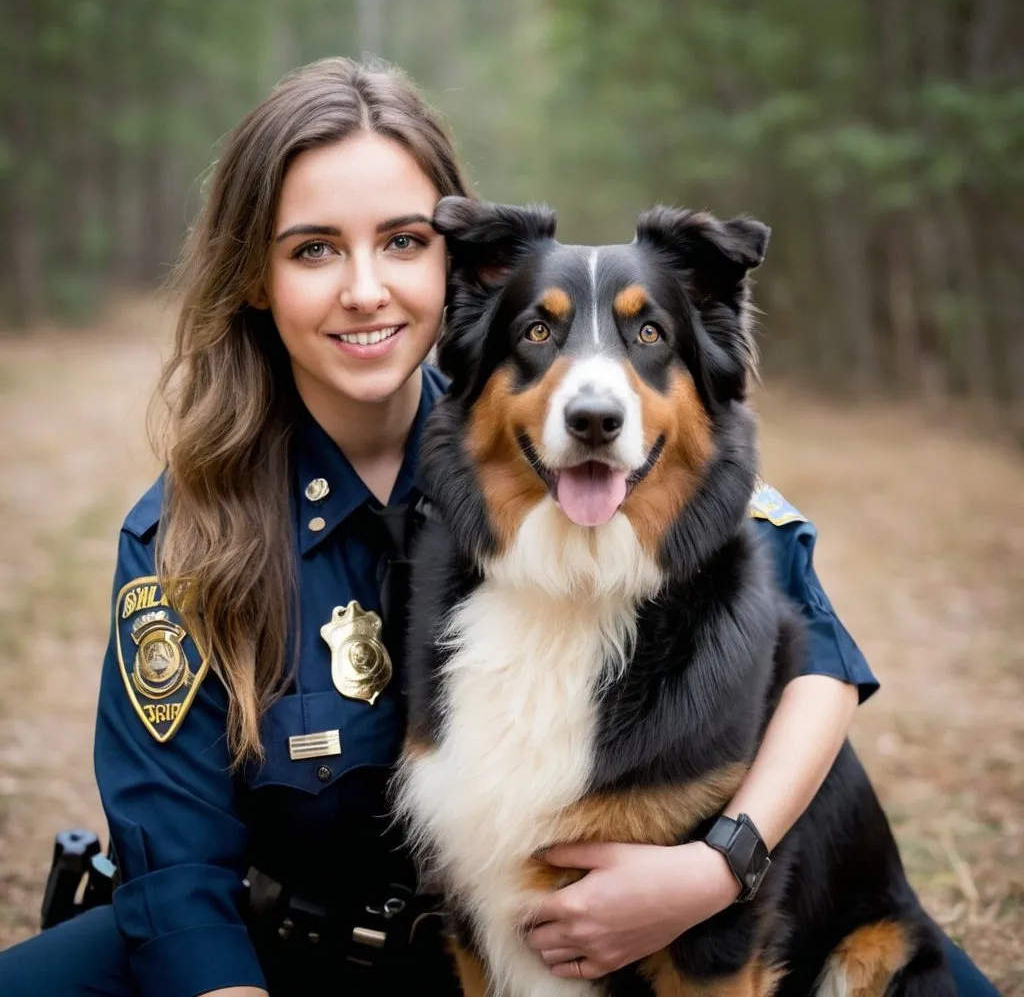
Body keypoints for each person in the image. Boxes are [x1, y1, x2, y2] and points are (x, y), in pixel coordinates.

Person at [0, 57, 999, 997]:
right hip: (289, 952)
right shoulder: (187, 536)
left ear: (456, 266)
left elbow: (808, 640)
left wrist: (715, 865)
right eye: (314, 249)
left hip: (551, 942)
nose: (364, 287)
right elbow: (175, 879)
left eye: (402, 241)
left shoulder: (557, 445)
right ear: (255, 276)